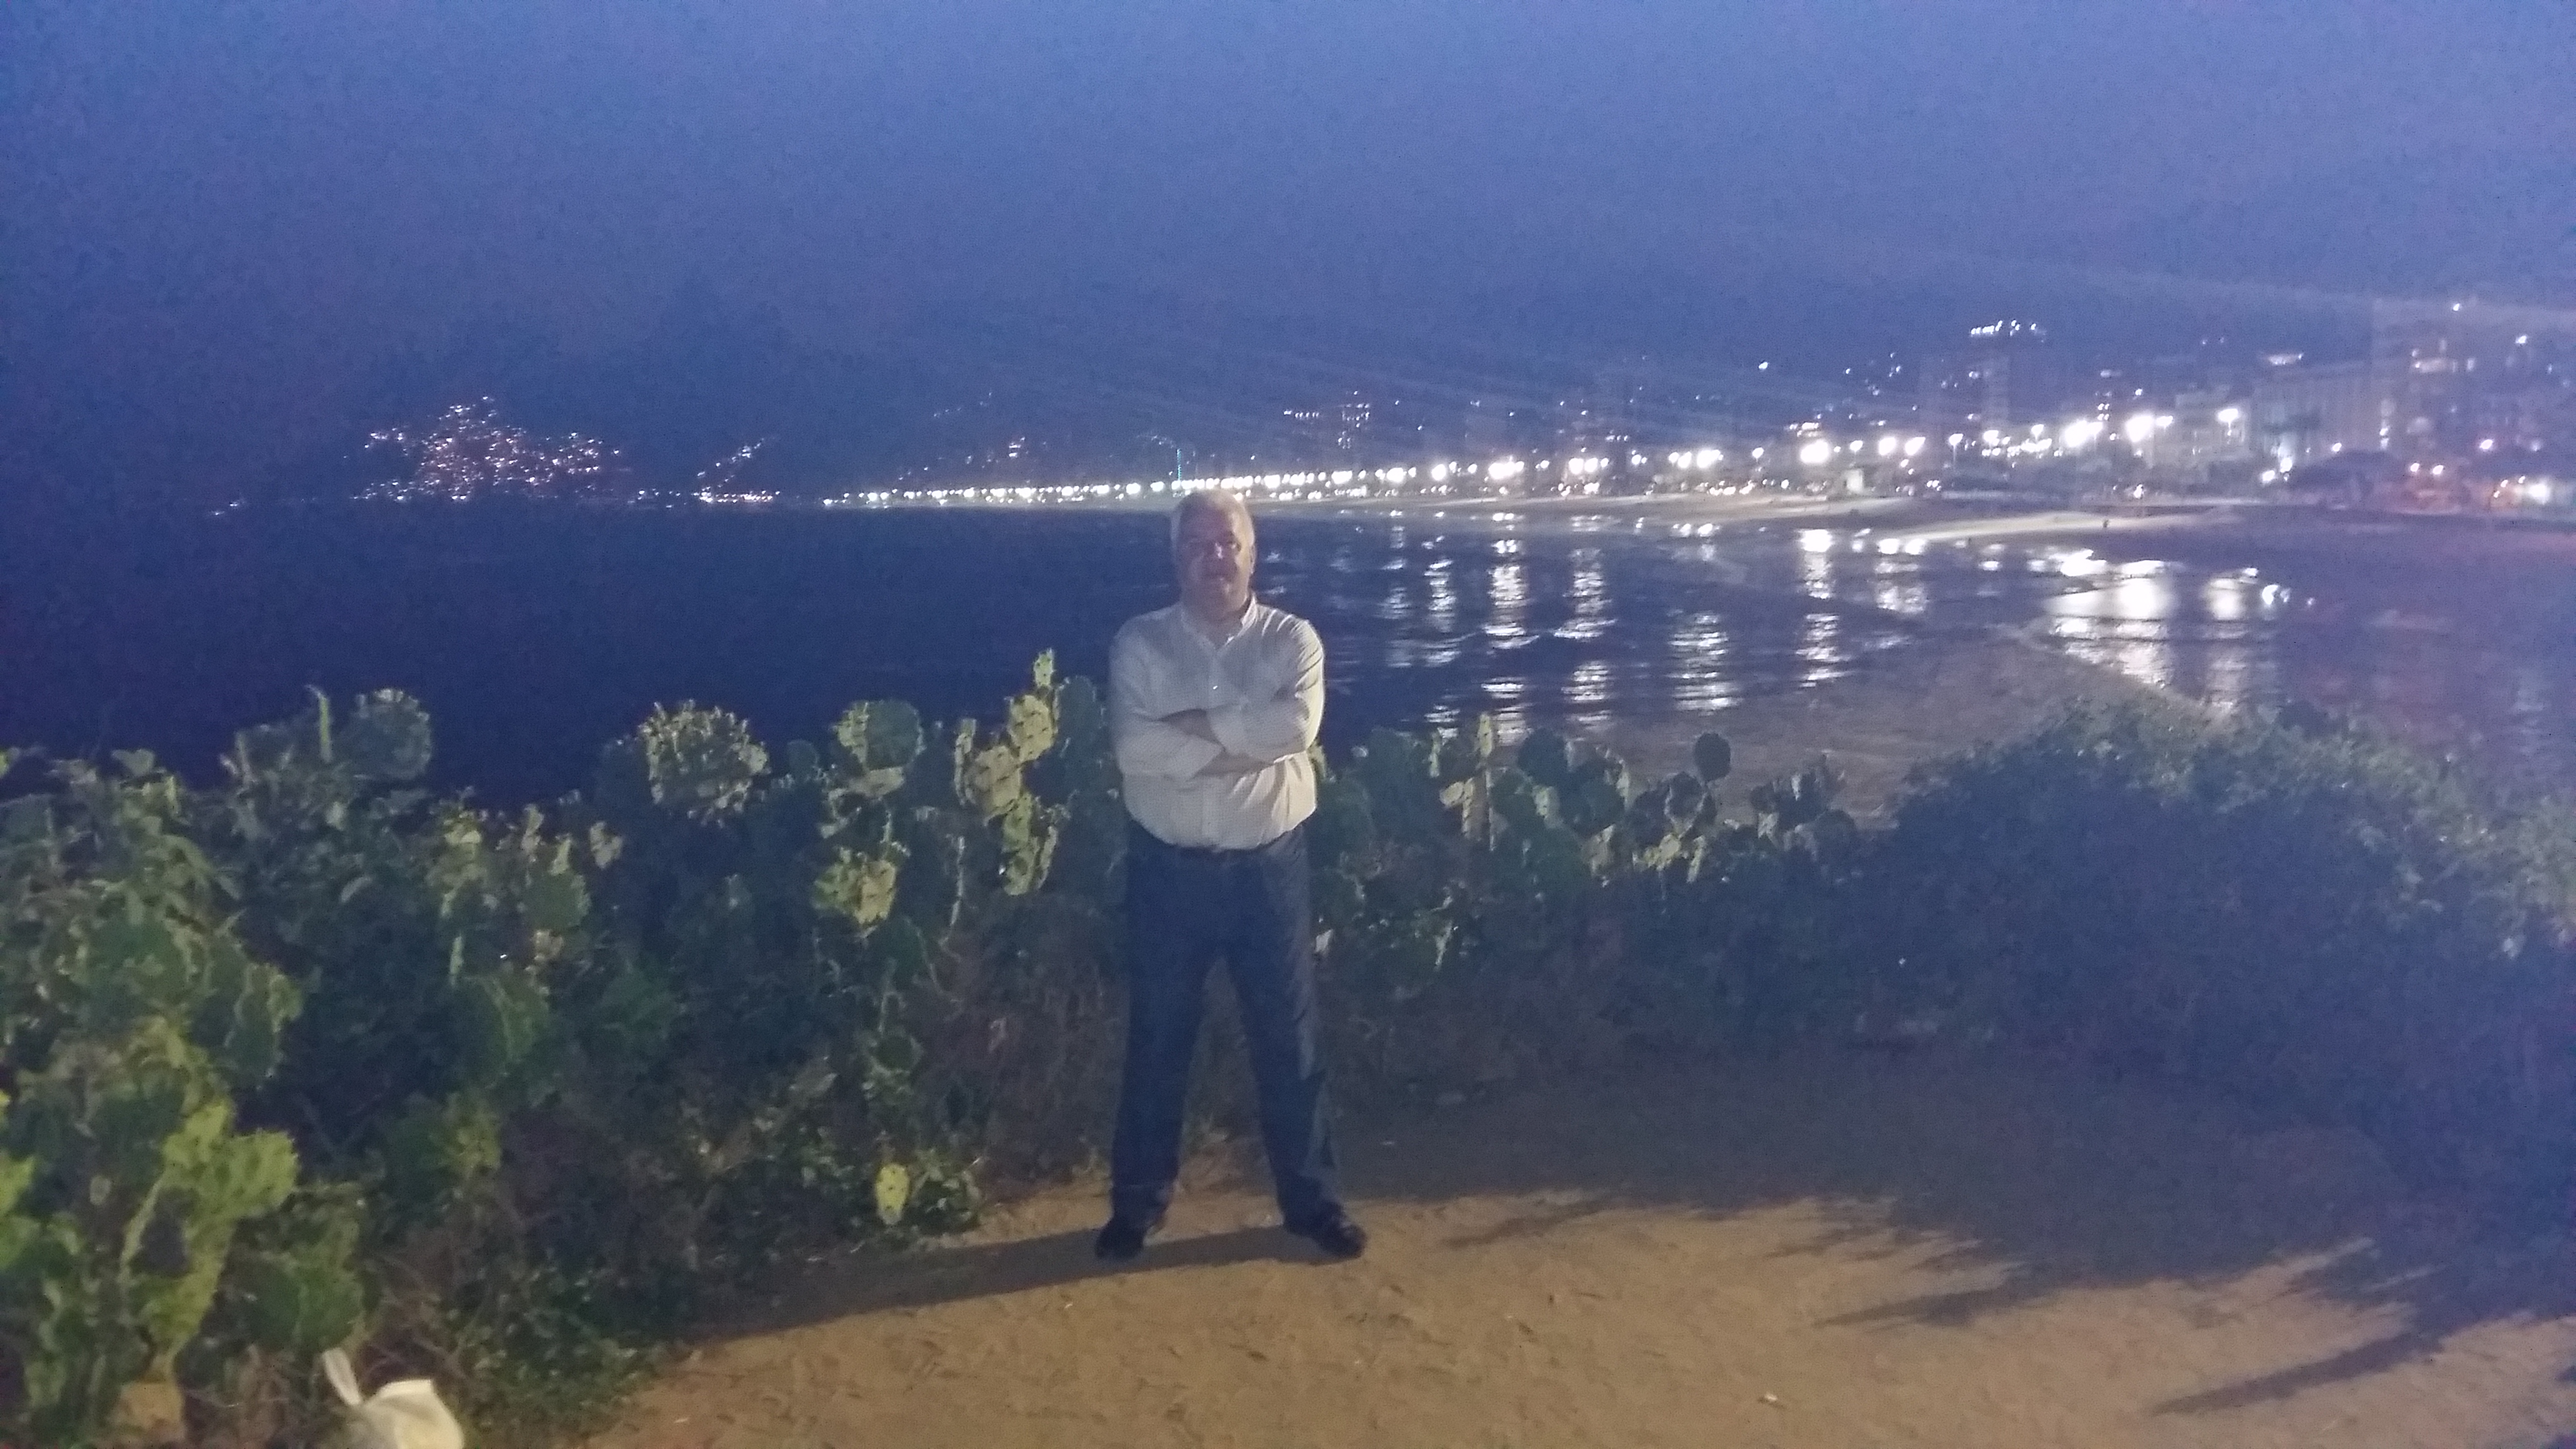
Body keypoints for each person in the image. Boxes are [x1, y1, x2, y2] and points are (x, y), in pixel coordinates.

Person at [1096, 489, 1365, 1262]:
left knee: (1290, 1040)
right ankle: (1137, 1206)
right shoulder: (1140, 643)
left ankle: (1314, 1204)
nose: (1214, 557)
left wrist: (1191, 734)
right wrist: (1247, 741)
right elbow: (1134, 750)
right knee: (1158, 1040)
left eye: (1227, 543)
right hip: (1168, 874)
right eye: (1198, 545)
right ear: (1175, 558)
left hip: (1269, 870)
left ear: (1252, 551)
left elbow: (1297, 728)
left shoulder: (1293, 640)